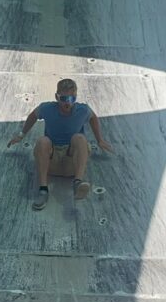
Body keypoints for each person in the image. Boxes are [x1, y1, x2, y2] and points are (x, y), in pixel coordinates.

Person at [8, 77, 113, 210]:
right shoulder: (46, 108)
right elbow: (33, 116)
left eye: (72, 99)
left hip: (71, 160)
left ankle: (77, 183)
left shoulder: (83, 110)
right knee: (42, 141)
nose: (67, 104)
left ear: (76, 97)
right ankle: (43, 190)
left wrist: (100, 140)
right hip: (52, 161)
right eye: (64, 99)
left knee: (80, 139)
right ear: (57, 97)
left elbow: (93, 118)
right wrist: (21, 135)